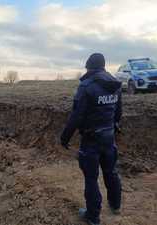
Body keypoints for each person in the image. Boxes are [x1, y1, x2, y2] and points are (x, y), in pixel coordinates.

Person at [60, 53, 122, 225]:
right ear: (103, 66)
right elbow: (118, 113)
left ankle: (93, 216)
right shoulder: (115, 84)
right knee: (111, 172)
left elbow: (76, 116)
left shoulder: (86, 86)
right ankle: (116, 205)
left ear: (89, 67)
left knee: (91, 178)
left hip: (91, 141)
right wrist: (113, 126)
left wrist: (65, 137)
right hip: (109, 138)